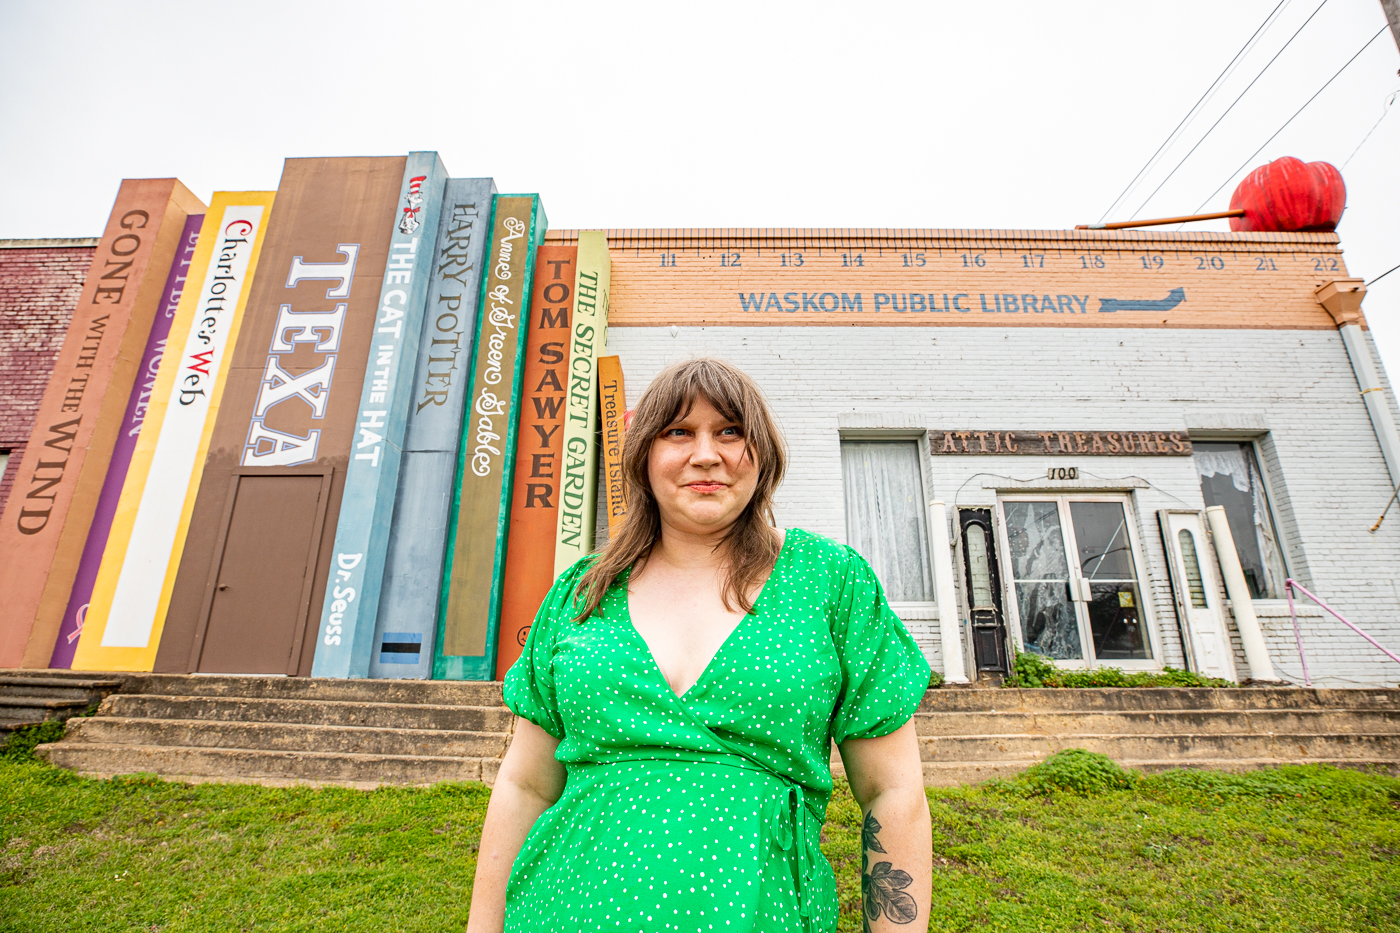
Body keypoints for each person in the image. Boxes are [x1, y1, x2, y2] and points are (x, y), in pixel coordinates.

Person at [466, 357, 933, 933]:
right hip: (560, 912)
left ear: (762, 455)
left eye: (730, 431)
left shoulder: (829, 581)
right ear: (644, 457)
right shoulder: (582, 593)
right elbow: (525, 784)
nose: (706, 454)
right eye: (678, 432)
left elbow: (893, 790)